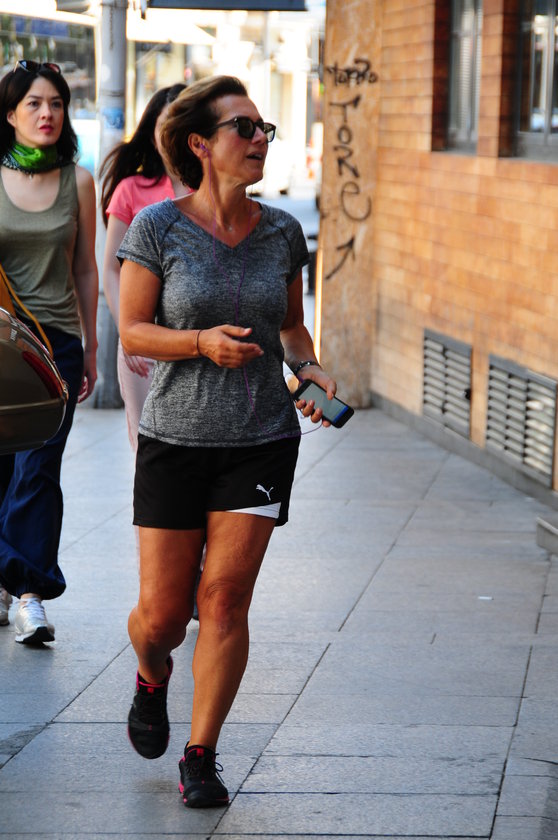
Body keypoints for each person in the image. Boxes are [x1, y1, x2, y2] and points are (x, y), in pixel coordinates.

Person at [117, 75, 337, 808]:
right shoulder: (159, 228)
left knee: (225, 599)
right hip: (175, 439)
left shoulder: (282, 232)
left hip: (260, 439)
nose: (259, 139)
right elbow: (133, 331)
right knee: (162, 616)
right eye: (243, 127)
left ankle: (201, 754)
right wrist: (199, 343)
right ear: (200, 145)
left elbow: (291, 327)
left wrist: (309, 370)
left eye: (263, 127)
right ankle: (152, 675)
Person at [0, 60, 98, 643]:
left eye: (57, 103)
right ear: (10, 114)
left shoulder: (77, 181)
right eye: (34, 104)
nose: (47, 113)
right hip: (0, 341)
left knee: (39, 467)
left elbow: (84, 268)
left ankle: (29, 593)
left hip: (55, 344)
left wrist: (89, 345)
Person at [100, 84, 188, 450]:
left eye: (183, 123)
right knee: (148, 452)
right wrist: (130, 333)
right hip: (143, 344)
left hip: (198, 342)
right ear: (152, 132)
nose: (173, 134)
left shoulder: (215, 192)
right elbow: (111, 269)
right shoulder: (130, 189)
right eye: (165, 124)